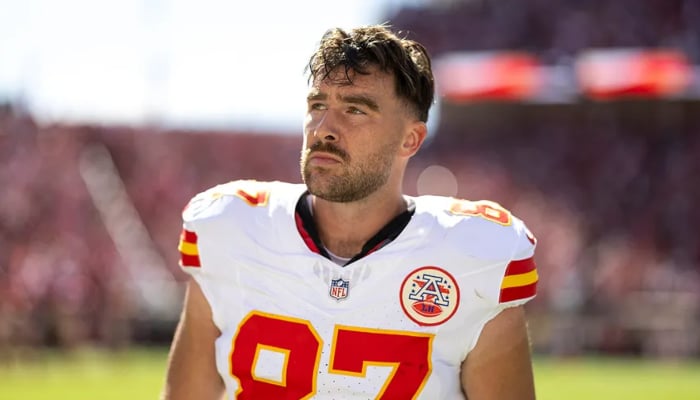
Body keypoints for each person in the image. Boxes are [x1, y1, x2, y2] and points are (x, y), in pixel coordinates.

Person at [162, 24, 538, 400]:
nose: (323, 129)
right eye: (317, 105)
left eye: (354, 110)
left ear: (410, 139)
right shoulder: (231, 228)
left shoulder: (475, 256)